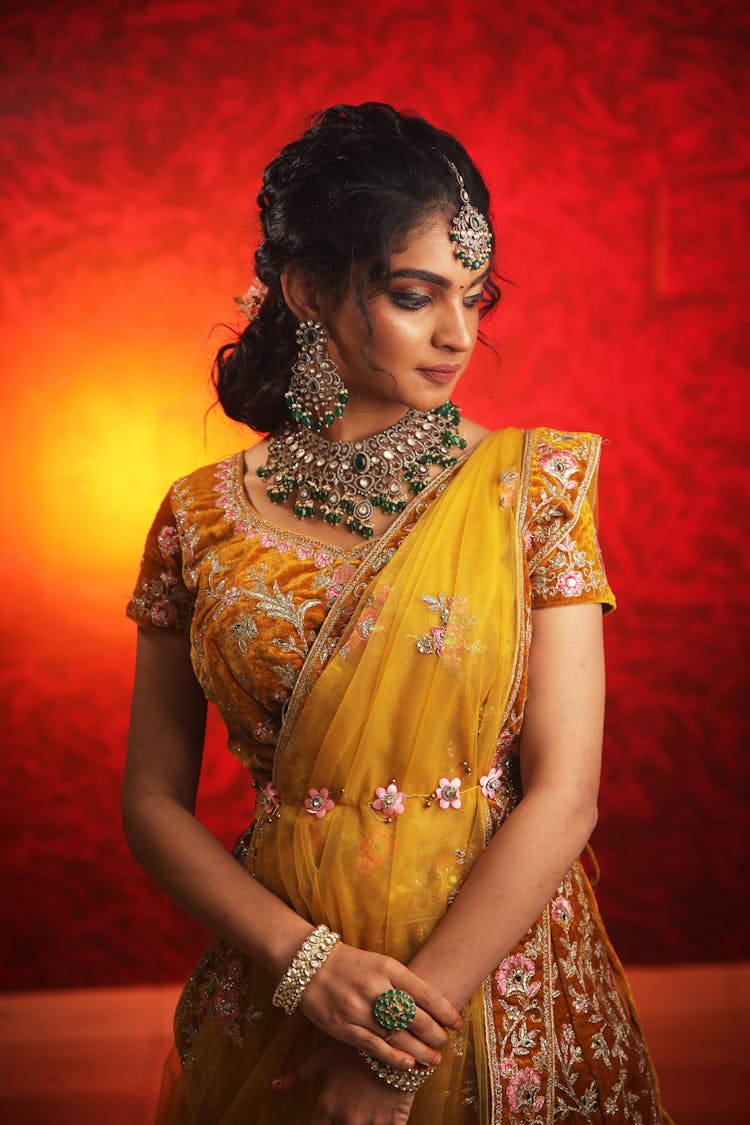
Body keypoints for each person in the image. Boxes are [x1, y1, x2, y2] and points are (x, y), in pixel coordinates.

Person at [123, 102, 671, 1125]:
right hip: (283, 982)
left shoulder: (530, 490)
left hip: (484, 990)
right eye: (418, 297)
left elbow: (566, 794)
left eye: (477, 296)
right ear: (310, 291)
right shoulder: (201, 514)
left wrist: (398, 1046)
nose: (460, 335)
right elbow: (153, 802)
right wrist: (310, 968)